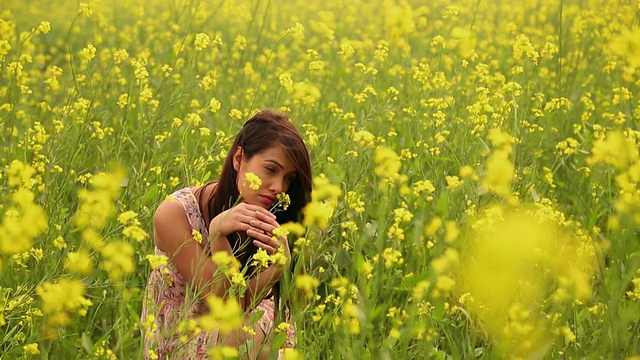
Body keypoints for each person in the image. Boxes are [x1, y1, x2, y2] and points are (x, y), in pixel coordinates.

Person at [141, 108, 313, 359]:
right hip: (180, 337)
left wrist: (277, 268)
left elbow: (243, 306)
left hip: (242, 323)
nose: (278, 187)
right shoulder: (175, 213)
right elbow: (222, 304)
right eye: (270, 169)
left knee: (253, 334)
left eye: (288, 178)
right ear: (238, 158)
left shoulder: (271, 219)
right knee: (242, 337)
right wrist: (217, 234)